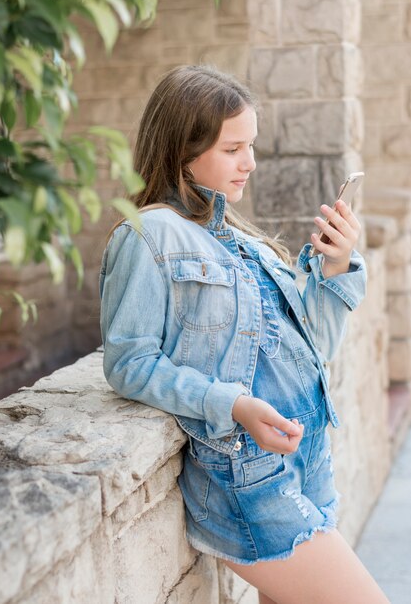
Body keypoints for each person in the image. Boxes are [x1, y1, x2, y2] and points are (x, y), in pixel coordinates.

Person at [99, 65, 390, 604]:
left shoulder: (239, 237)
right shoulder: (148, 235)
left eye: (250, 145)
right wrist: (231, 404)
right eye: (234, 149)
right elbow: (129, 361)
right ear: (182, 150)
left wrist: (335, 268)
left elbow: (314, 349)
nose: (250, 163)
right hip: (249, 478)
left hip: (307, 460)